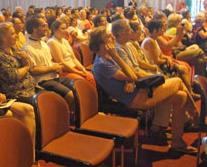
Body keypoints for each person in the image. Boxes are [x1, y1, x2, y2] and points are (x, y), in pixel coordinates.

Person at [90, 26, 198, 154]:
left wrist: (129, 80)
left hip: (139, 91)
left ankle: (177, 141)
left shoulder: (107, 58)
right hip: (135, 99)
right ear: (102, 43)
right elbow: (132, 75)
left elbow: (130, 74)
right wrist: (116, 57)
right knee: (178, 82)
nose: (113, 37)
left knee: (180, 97)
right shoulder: (103, 63)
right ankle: (197, 116)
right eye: (109, 36)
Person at [23, 16, 75, 111]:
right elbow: (33, 70)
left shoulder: (43, 43)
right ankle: (73, 120)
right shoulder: (28, 48)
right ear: (34, 28)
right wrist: (53, 67)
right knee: (70, 95)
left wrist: (56, 65)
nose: (47, 28)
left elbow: (48, 61)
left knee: (78, 86)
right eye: (43, 26)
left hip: (54, 76)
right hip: (43, 81)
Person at [142, 19, 199, 99]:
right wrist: (168, 60)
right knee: (183, 69)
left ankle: (190, 92)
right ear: (155, 30)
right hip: (155, 69)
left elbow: (161, 55)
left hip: (161, 65)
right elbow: (156, 61)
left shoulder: (154, 39)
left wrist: (167, 58)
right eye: (161, 28)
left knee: (184, 68)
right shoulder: (150, 41)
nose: (163, 30)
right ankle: (189, 93)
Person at [0, 22, 36, 105]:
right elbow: (13, 76)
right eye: (13, 34)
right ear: (4, 38)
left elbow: (32, 68)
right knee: (42, 104)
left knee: (51, 98)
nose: (17, 36)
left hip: (30, 88)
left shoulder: (14, 50)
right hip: (16, 94)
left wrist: (26, 59)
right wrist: (26, 66)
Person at [47, 20, 95, 86]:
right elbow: (62, 63)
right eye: (63, 29)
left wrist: (82, 69)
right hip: (65, 70)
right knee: (83, 82)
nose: (66, 31)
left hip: (73, 67)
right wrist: (78, 72)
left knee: (91, 77)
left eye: (66, 28)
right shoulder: (52, 42)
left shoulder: (64, 41)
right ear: (55, 30)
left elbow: (73, 58)